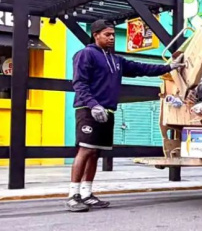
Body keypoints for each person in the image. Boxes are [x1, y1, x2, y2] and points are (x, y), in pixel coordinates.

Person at [67, 19, 184, 212]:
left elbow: (142, 68)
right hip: (89, 111)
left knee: (95, 153)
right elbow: (79, 83)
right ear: (96, 35)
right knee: (85, 150)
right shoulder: (85, 54)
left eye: (113, 34)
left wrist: (170, 66)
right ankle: (73, 195)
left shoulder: (116, 60)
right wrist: (94, 105)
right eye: (107, 34)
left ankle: (87, 194)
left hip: (108, 111)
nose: (112, 38)